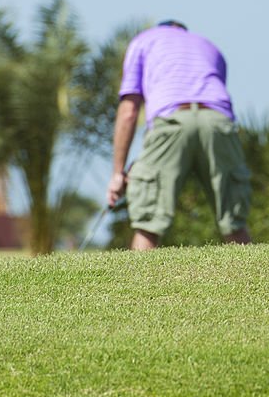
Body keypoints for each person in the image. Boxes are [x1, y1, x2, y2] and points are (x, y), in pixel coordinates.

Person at [106, 20, 252, 250]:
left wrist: (117, 173)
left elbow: (129, 111)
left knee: (148, 224)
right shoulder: (209, 46)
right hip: (217, 121)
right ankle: (253, 282)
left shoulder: (144, 40)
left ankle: (136, 285)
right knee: (234, 223)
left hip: (172, 120)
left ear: (160, 28)